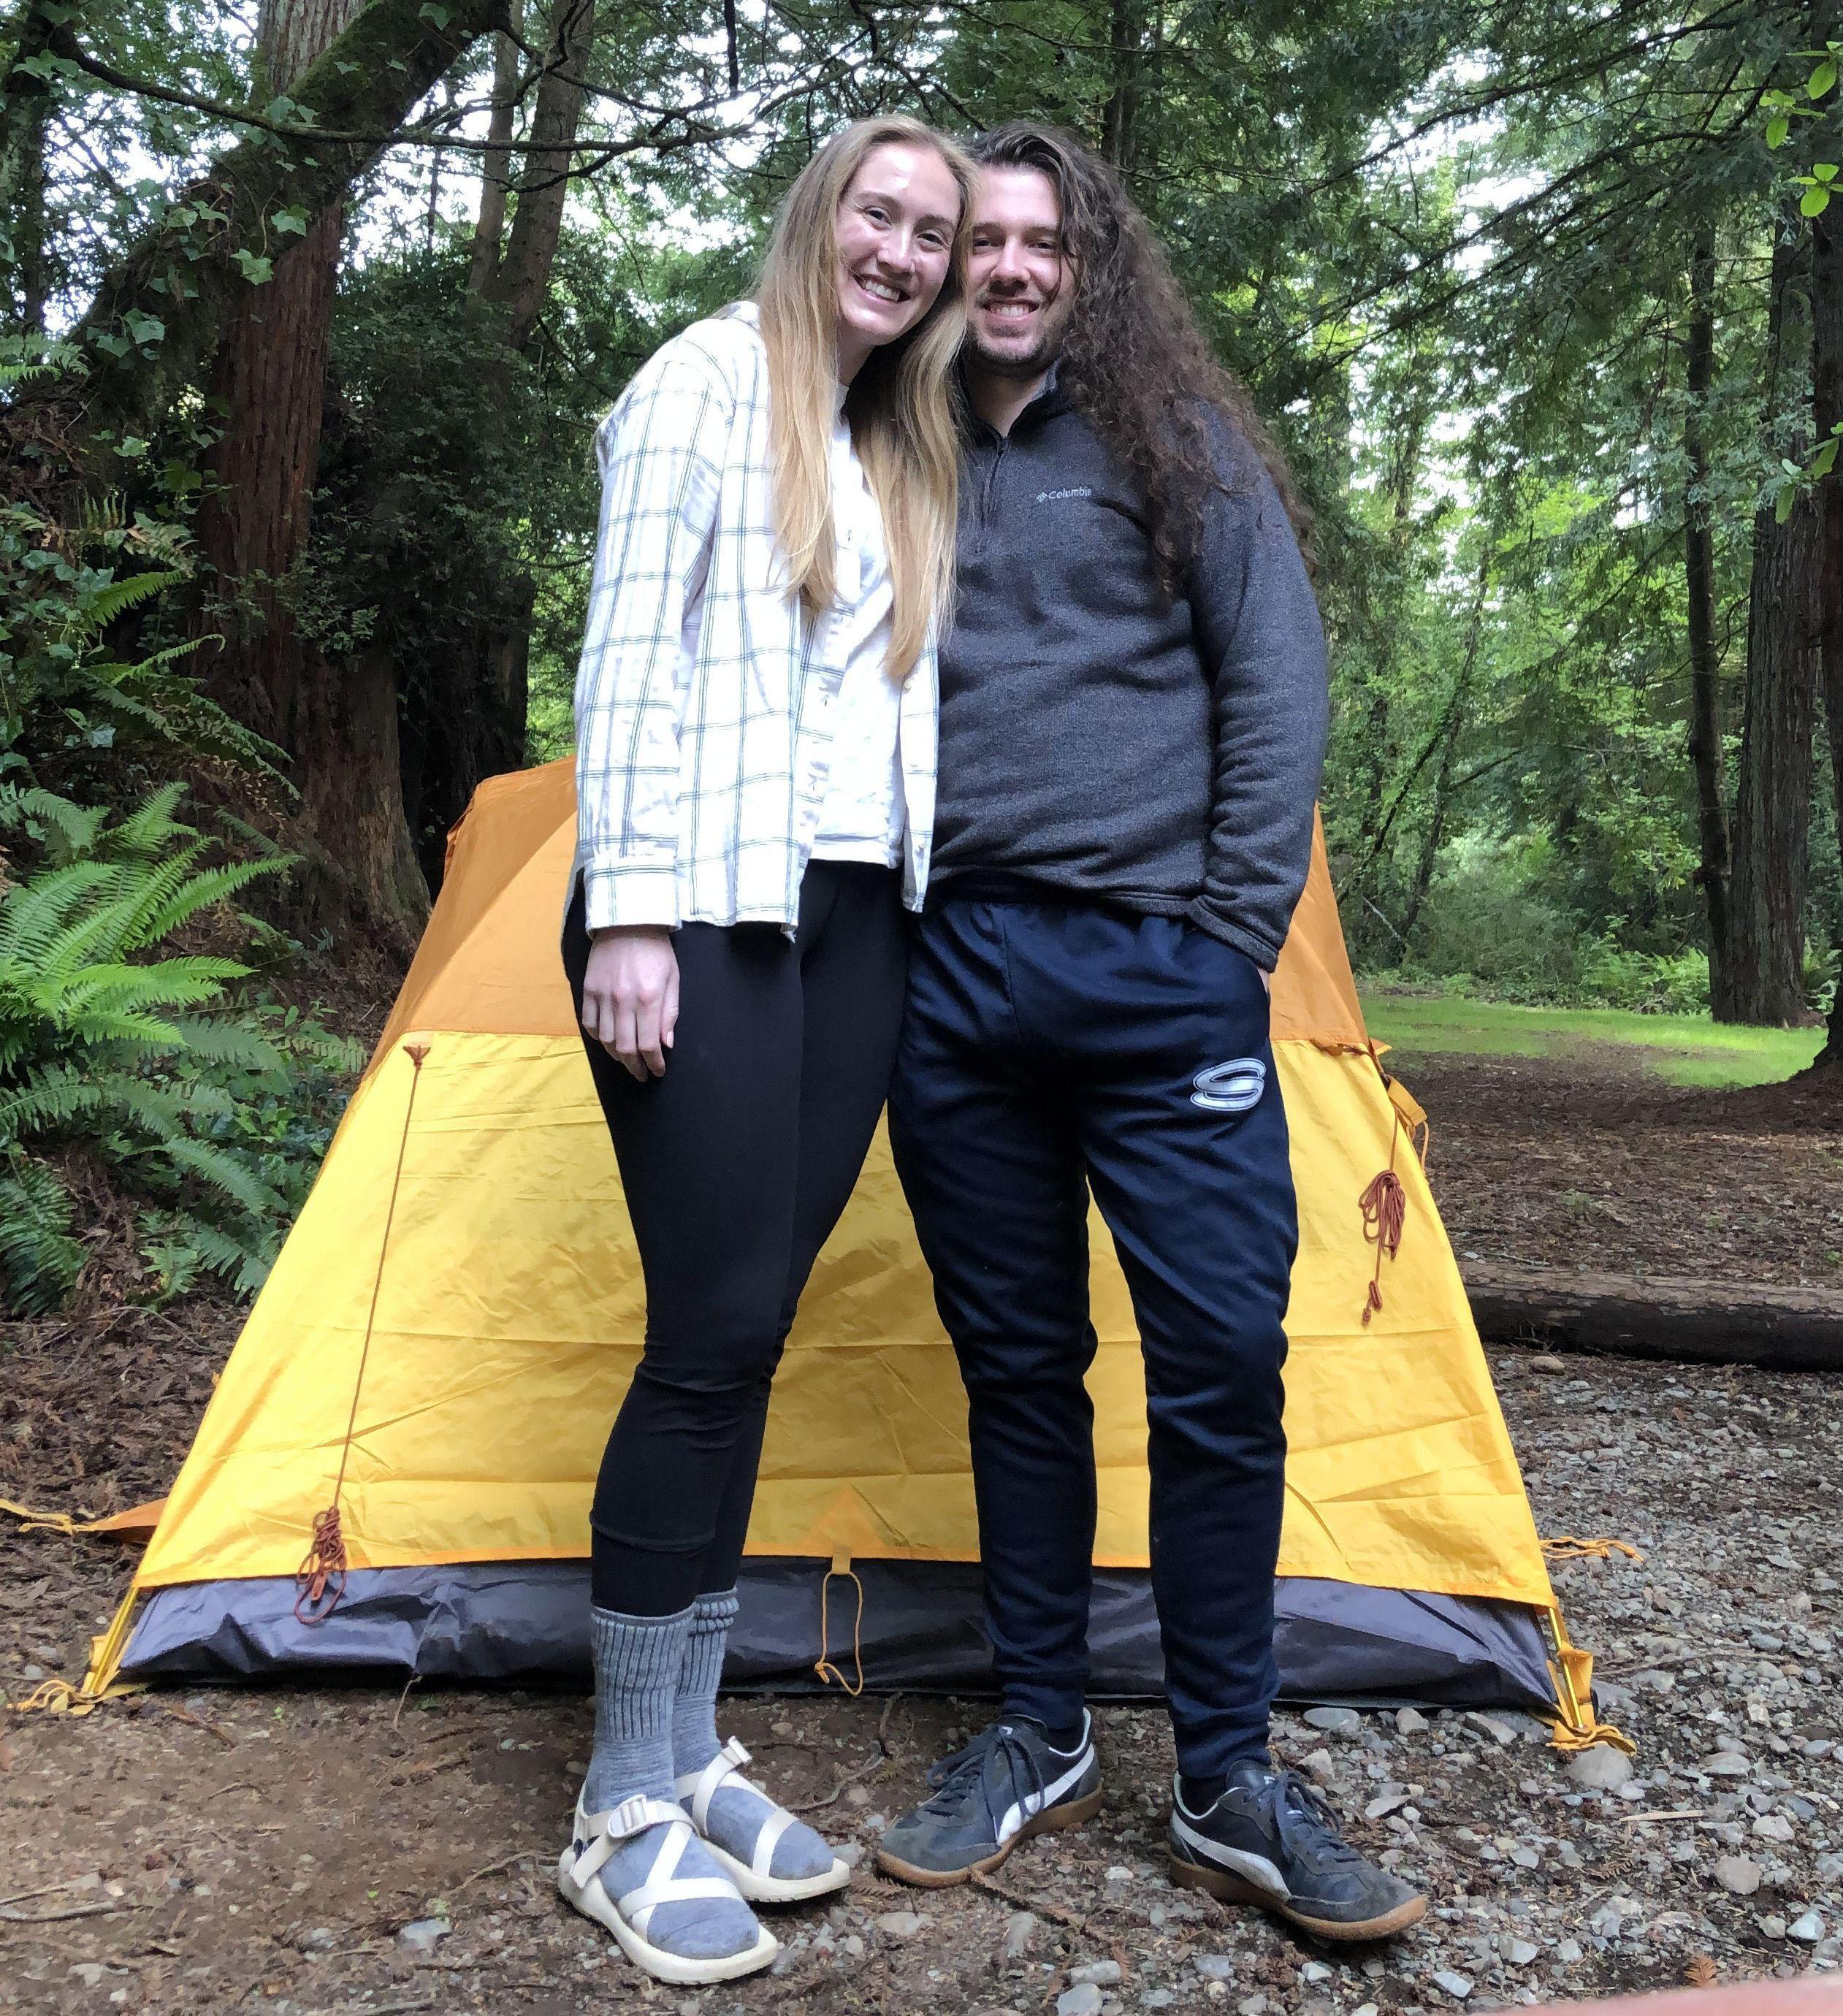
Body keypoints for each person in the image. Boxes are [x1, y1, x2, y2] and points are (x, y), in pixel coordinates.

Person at [874, 122, 1427, 1944]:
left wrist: (1226, 947)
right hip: (953, 980)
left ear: (1091, 270)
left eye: (1047, 246)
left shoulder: (1183, 443)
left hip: (1161, 979)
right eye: (987, 248)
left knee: (1216, 1371)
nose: (1014, 272)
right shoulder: (899, 444)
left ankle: (1226, 1772)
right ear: (952, 271)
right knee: (1016, 1367)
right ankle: (1036, 1727)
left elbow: (1282, 684)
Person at [558, 116, 974, 1986]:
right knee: (710, 1332)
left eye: (931, 234)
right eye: (877, 213)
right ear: (822, 216)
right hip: (702, 913)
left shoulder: (902, 448)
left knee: (755, 1330)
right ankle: (616, 1808)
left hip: (854, 926)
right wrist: (628, 906)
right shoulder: (704, 381)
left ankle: (682, 1743)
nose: (898, 250)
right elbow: (626, 653)